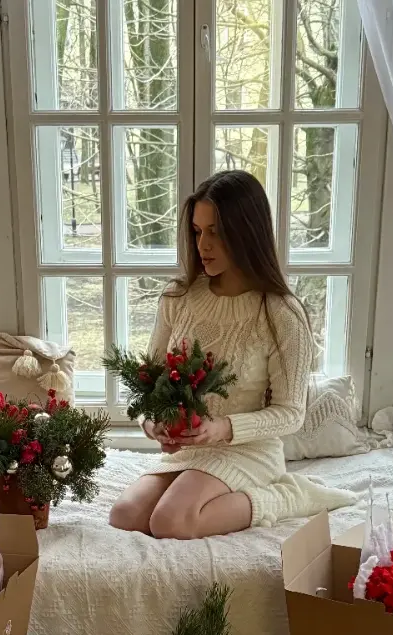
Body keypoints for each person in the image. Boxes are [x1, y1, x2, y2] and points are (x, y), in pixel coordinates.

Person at [110, 170, 354, 539]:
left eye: (216, 232)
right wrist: (152, 423)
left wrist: (223, 428)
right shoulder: (178, 297)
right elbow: (147, 384)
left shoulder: (280, 313)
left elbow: (291, 413)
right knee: (125, 515)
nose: (203, 245)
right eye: (197, 231)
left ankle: (288, 496)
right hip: (192, 449)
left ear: (246, 233)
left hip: (248, 451)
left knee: (171, 522)